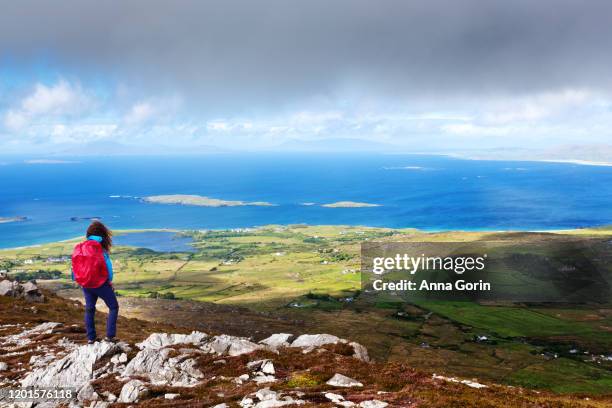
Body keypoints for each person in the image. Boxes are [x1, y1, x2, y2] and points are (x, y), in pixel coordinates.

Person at [71, 221, 119, 344]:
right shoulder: (99, 247)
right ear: (102, 233)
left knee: (90, 309)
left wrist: (79, 280)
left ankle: (91, 338)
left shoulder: (81, 246)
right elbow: (107, 266)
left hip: (86, 284)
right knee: (113, 307)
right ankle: (110, 336)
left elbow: (75, 266)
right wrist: (109, 281)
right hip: (101, 283)